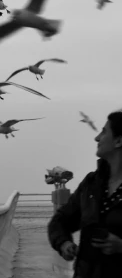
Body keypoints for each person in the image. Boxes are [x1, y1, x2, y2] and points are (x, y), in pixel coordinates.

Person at [47, 110, 122, 277]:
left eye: (104, 132)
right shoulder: (92, 183)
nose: (97, 138)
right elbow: (60, 221)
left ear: (118, 141)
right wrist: (64, 243)